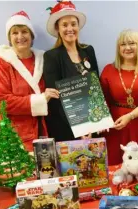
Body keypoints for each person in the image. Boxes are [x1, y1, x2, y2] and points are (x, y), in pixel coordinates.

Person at [0, 11, 59, 151]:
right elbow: (2, 102)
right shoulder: (2, 62)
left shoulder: (43, 60)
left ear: (31, 35)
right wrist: (40, 99)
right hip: (14, 136)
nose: (20, 37)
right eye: (15, 33)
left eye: (24, 31)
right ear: (9, 37)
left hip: (43, 133)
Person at [100, 29, 138, 165]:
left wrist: (130, 116)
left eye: (132, 43)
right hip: (116, 127)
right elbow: (102, 101)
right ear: (118, 48)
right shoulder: (108, 70)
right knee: (116, 168)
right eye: (123, 44)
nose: (127, 48)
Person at [43, 1, 99, 141]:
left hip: (92, 126)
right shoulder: (51, 56)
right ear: (58, 28)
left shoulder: (88, 51)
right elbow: (56, 99)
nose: (70, 28)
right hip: (65, 129)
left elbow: (96, 88)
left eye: (73, 24)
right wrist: (80, 129)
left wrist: (96, 123)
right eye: (65, 25)